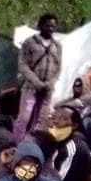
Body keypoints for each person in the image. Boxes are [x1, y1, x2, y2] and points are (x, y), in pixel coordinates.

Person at [16, 13, 62, 141]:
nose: (50, 29)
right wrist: (36, 82)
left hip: (47, 89)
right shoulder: (29, 42)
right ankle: (16, 143)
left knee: (42, 119)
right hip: (30, 87)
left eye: (53, 26)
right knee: (24, 117)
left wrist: (51, 83)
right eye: (48, 26)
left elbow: (58, 67)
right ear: (41, 26)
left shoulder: (57, 46)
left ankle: (33, 143)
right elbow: (22, 65)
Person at [48, 104, 91, 181]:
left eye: (63, 119)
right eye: (53, 118)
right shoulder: (50, 142)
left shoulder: (75, 149)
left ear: (74, 125)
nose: (56, 122)